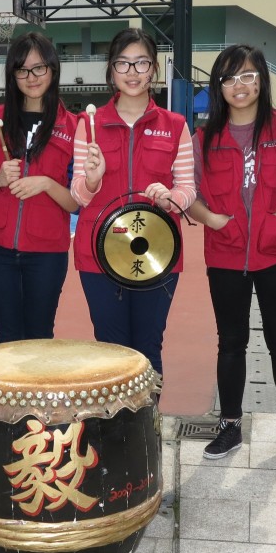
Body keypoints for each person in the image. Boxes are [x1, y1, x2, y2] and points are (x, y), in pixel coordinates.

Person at [187, 45, 276, 462]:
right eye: (228, 78)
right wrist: (211, 220)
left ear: (261, 80)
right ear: (218, 87)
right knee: (231, 343)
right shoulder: (203, 138)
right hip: (225, 255)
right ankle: (229, 426)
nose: (238, 86)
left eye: (247, 76)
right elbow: (187, 192)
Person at [70, 28, 195, 376]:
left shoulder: (175, 126)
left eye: (141, 63)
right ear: (111, 70)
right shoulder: (89, 125)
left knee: (147, 348)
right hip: (98, 253)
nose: (133, 72)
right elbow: (76, 195)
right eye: (123, 63)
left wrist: (171, 199)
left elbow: (188, 189)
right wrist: (92, 181)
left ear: (153, 68)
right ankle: (114, 432)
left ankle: (145, 432)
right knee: (110, 352)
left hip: (156, 251)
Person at [0, 32, 78, 342]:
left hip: (47, 253)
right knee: (6, 337)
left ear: (53, 69)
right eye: (22, 69)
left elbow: (75, 202)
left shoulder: (74, 127)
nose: (31, 77)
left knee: (39, 336)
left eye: (39, 68)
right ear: (12, 74)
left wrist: (47, 183)